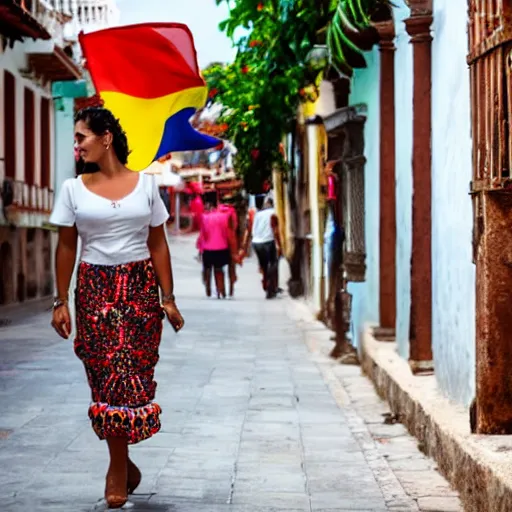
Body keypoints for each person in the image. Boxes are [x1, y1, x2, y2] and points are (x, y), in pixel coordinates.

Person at [49, 107, 184, 509]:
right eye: (76, 138)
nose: (77, 145)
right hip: (93, 289)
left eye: (82, 137)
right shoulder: (72, 189)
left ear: (105, 138)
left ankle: (121, 464)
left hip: (139, 289)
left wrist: (169, 297)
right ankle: (119, 466)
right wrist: (60, 301)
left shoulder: (146, 185)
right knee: (104, 377)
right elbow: (66, 245)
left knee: (131, 375)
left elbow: (158, 243)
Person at [241, 194, 282, 299]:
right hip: (268, 241)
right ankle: (269, 285)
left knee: (263, 265)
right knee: (273, 264)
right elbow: (275, 230)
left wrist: (244, 247)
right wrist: (279, 245)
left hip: (256, 243)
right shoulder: (273, 213)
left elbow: (249, 230)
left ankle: (267, 284)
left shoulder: (256, 214)